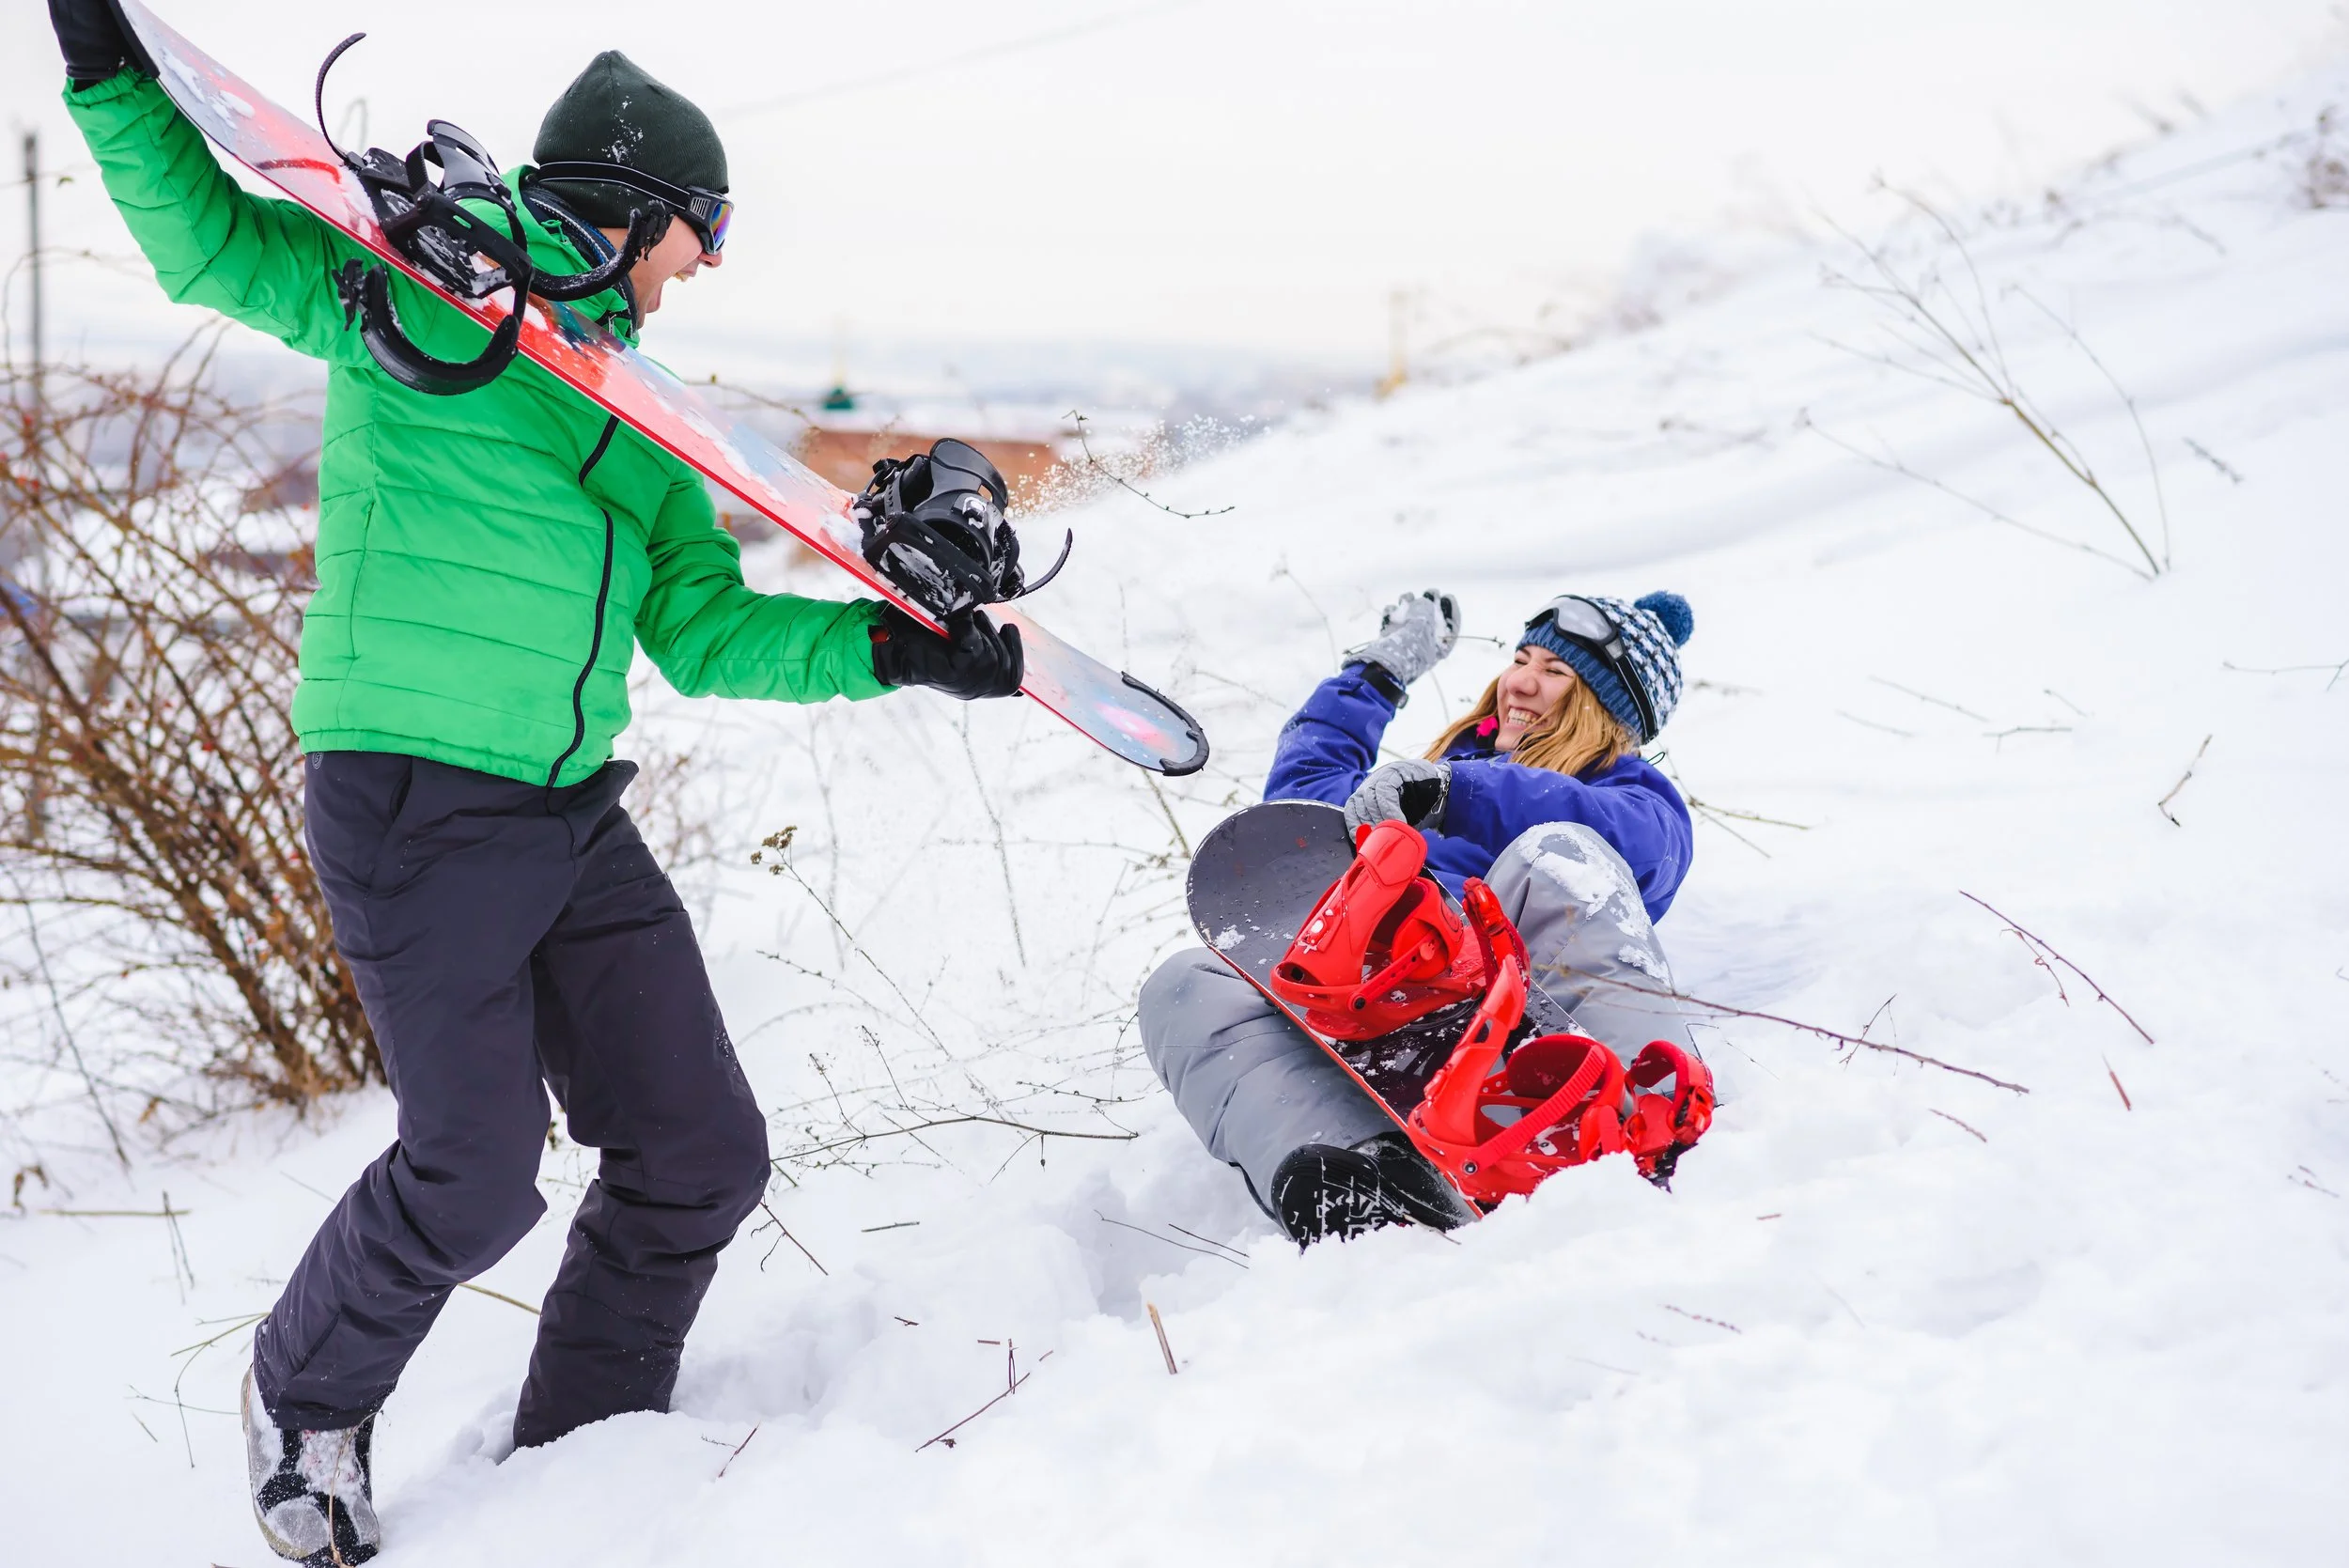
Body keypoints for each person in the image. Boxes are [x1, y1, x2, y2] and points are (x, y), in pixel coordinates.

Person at [47, 5, 1024, 1563]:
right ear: (636, 207)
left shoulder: (640, 411)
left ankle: (585, 1451)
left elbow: (703, 630)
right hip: (414, 798)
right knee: (474, 1170)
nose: (701, 266)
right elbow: (209, 249)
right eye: (698, 233)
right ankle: (307, 1404)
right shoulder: (414, 293)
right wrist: (107, 72)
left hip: (571, 809)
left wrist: (892, 652)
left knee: (699, 1146)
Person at [1140, 586, 1702, 1245]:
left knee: (1557, 852)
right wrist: (1379, 672)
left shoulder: (1631, 797)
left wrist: (1457, 794)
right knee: (1185, 984)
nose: (1520, 681)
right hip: (1383, 993)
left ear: (1606, 711)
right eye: (1521, 659)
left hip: (1520, 1011)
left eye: (1556, 672)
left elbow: (1626, 836)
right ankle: (1366, 1186)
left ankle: (1654, 1132)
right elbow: (1299, 825)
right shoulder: (1427, 788)